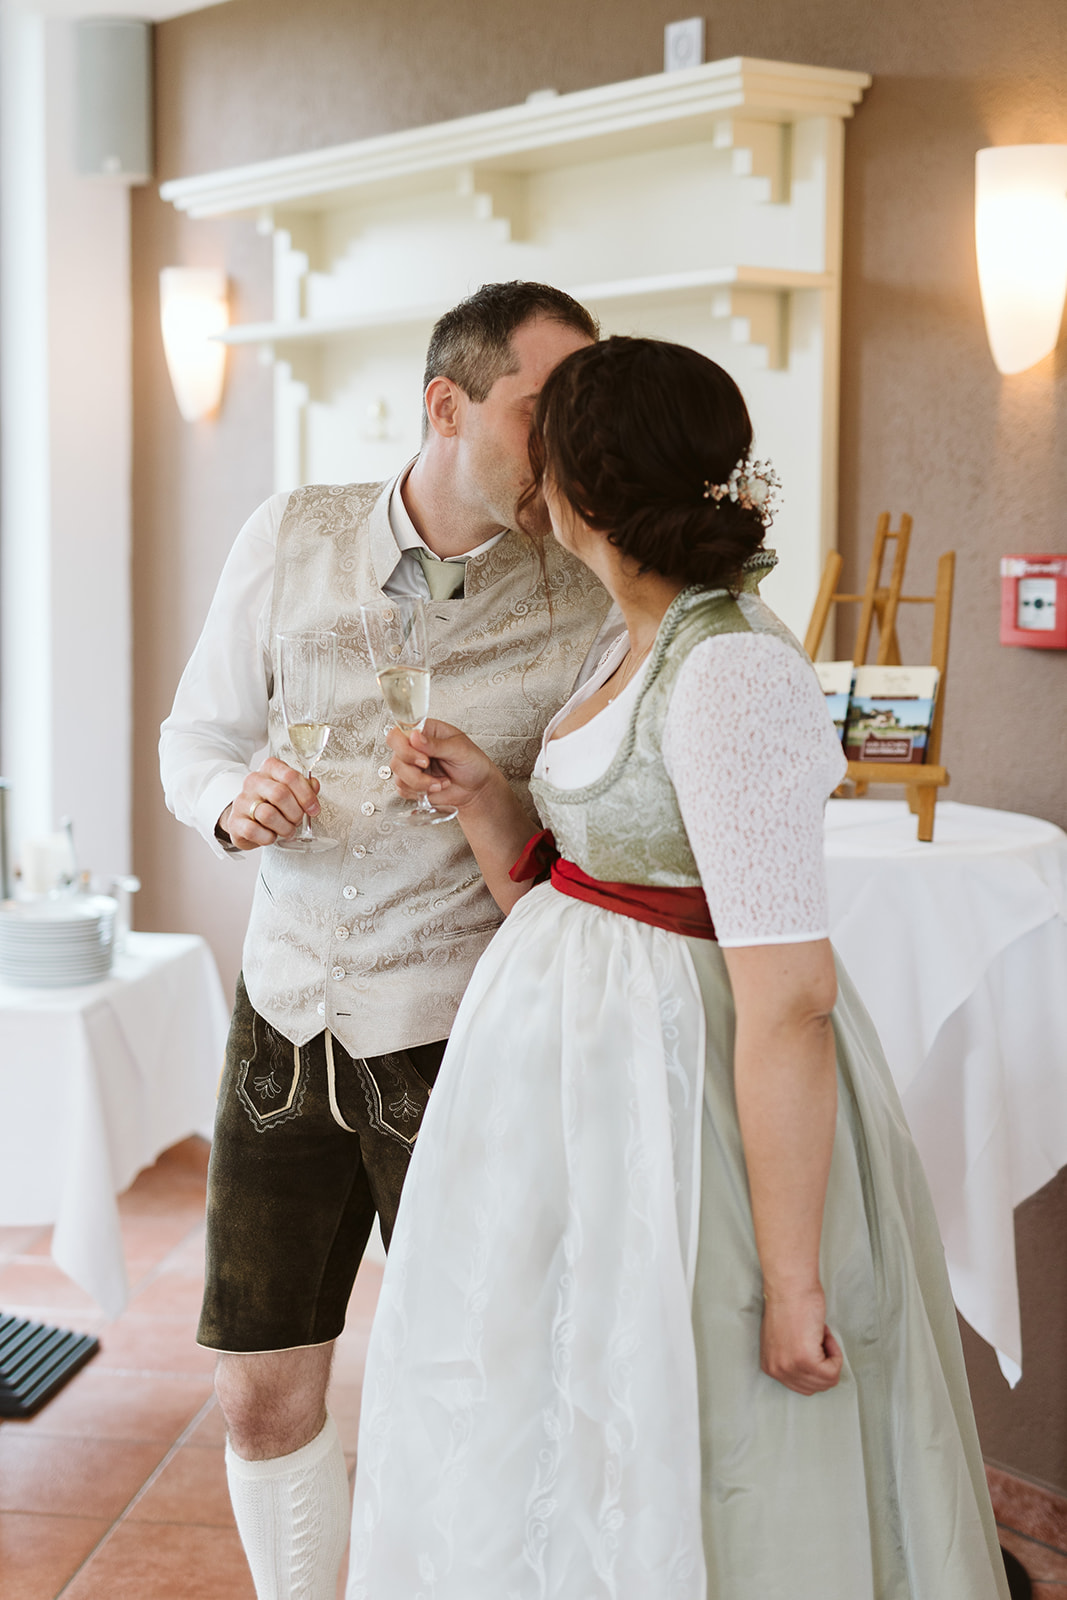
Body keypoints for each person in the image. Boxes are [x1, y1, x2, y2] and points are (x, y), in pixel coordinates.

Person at [346, 336, 1011, 1599]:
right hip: (571, 1112)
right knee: (555, 1424)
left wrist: (790, 1274)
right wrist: (494, 804)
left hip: (687, 1115)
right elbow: (591, 888)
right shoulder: (624, 636)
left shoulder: (732, 672)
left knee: (695, 1427)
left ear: (581, 488)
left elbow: (789, 996)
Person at [159, 282, 614, 1600]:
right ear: (445, 405)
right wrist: (228, 801)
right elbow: (195, 736)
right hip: (282, 1024)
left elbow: (595, 830)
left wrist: (492, 791)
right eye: (545, 408)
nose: (565, 443)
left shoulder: (581, 597)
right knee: (257, 1397)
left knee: (476, 1399)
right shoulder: (288, 534)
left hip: (456, 1041)